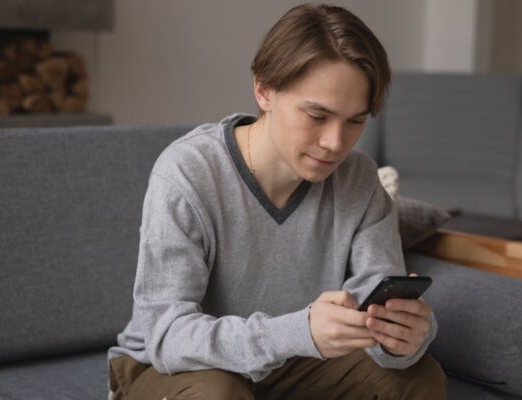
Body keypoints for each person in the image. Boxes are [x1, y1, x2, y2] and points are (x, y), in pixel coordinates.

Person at [108, 3, 446, 399]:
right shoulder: (188, 173)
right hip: (173, 368)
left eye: (355, 121)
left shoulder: (359, 181)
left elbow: (372, 320)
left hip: (294, 362)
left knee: (417, 379)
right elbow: (166, 335)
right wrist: (297, 332)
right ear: (264, 90)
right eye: (317, 116)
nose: (336, 143)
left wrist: (403, 339)